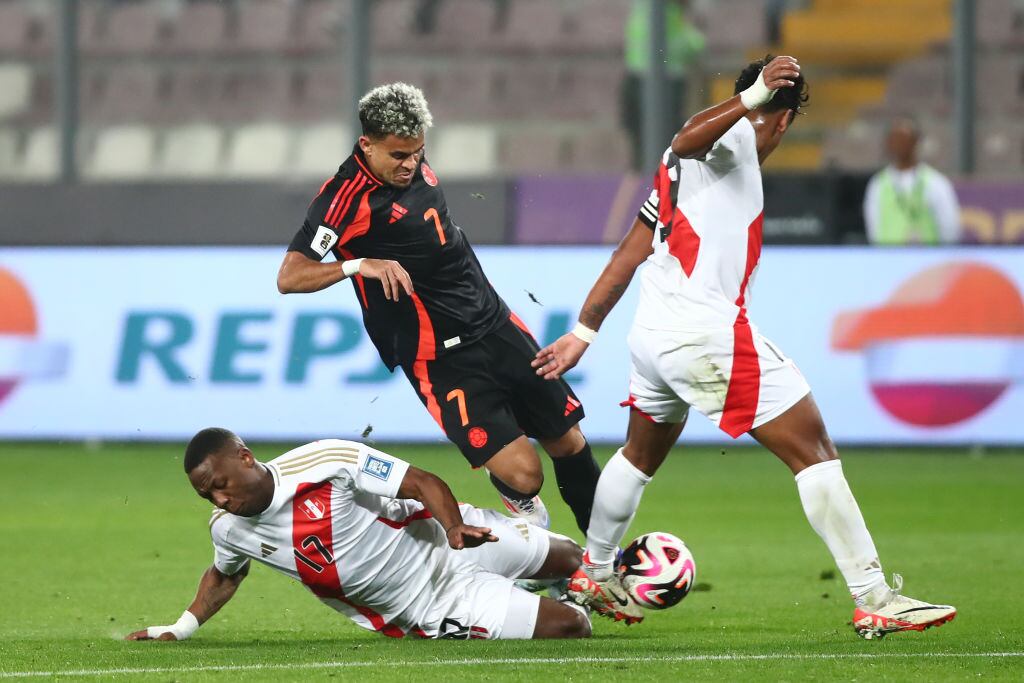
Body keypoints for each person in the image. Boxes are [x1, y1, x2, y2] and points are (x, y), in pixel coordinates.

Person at [532, 56, 957, 640]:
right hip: (704, 335)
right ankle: (875, 596)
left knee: (639, 454)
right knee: (814, 450)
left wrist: (584, 331)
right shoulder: (728, 139)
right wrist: (755, 96)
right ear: (782, 123)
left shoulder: (681, 173)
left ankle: (597, 572)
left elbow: (629, 252)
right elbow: (686, 137)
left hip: (653, 337)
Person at [276, 83, 601, 537]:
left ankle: (607, 564)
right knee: (527, 475)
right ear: (366, 144)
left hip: (495, 322)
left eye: (418, 152)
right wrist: (355, 265)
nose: (410, 164)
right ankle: (523, 510)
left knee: (569, 441)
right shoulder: (341, 201)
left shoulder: (407, 159)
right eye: (398, 155)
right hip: (439, 355)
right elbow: (289, 276)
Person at [125, 428, 590, 642]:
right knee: (573, 625)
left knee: (574, 557)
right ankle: (529, 591)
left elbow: (421, 482)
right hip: (430, 607)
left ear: (245, 458)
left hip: (449, 539)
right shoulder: (229, 530)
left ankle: (531, 578)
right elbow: (224, 577)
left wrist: (453, 527)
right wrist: (180, 628)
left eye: (220, 486)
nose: (220, 502)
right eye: (208, 497)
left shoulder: (325, 460)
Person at [621, 0, 706, 170]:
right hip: (665, 81)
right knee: (662, 138)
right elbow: (690, 47)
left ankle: (646, 173)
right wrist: (697, 39)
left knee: (644, 140)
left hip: (640, 76)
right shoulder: (668, 14)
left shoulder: (647, 9)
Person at [862, 117, 961, 245]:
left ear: (915, 142)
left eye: (904, 139)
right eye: (894, 139)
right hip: (888, 260)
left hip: (929, 260)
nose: (899, 144)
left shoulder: (936, 182)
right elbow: (873, 227)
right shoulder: (878, 184)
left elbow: (949, 227)